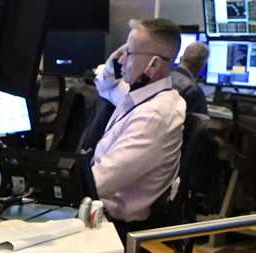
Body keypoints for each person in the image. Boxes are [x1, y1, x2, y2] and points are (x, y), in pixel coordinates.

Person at [90, 18, 187, 225]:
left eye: (129, 53)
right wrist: (113, 64)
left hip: (115, 225)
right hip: (100, 209)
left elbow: (98, 183)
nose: (121, 60)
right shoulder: (142, 96)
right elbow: (103, 85)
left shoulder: (154, 116)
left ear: (154, 64)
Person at [171, 40, 209, 116]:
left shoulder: (164, 79)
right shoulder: (193, 91)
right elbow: (201, 122)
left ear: (182, 58)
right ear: (201, 64)